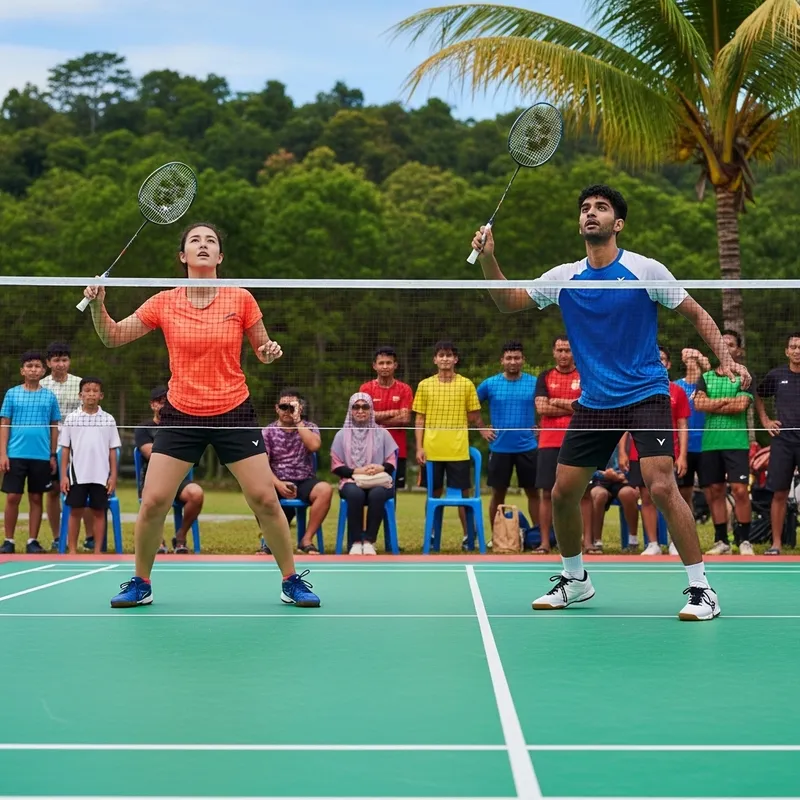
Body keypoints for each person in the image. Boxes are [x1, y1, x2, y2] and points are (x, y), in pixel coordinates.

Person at [471, 183, 750, 620]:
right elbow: (508, 302)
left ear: (617, 224)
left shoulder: (645, 270)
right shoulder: (564, 277)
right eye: (585, 208)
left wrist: (726, 359)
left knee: (660, 484)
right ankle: (576, 580)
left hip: (645, 392)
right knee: (563, 492)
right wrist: (489, 257)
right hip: (596, 401)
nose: (591, 213)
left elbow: (696, 312)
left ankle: (702, 589)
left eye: (600, 208)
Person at [82, 222, 320, 608]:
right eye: (195, 240)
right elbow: (112, 337)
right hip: (182, 414)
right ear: (183, 256)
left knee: (264, 499)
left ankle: (291, 580)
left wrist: (269, 351)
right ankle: (141, 582)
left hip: (233, 411)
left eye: (211, 241)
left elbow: (262, 350)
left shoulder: (241, 298)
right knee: (154, 501)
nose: (203, 244)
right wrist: (98, 304)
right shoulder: (164, 302)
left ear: (220, 256)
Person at [619, 346, 690, 556]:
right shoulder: (634, 389)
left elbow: (682, 425)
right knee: (646, 497)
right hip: (638, 453)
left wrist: (682, 455)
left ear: (668, 364)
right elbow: (625, 424)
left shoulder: (677, 391)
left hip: (668, 452)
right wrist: (622, 452)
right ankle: (653, 544)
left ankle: (676, 543)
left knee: (670, 498)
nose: (659, 362)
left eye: (663, 359)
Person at [413, 340, 483, 547]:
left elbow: (474, 415)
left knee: (463, 495)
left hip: (458, 450)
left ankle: (468, 536)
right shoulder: (424, 385)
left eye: (449, 355)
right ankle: (431, 534)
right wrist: (419, 447)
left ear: (455, 359)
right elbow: (419, 419)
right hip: (432, 451)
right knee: (433, 494)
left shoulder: (466, 384)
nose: (445, 359)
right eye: (441, 355)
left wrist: (457, 421)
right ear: (435, 360)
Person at [694, 330, 753, 555]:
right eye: (722, 343)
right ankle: (722, 541)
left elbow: (740, 406)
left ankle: (744, 540)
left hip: (736, 442)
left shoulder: (744, 376)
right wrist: (727, 400)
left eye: (731, 345)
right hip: (711, 443)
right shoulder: (706, 377)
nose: (726, 348)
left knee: (740, 491)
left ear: (739, 350)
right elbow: (699, 405)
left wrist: (713, 403)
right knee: (715, 491)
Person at [534, 336, 594, 554]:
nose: (563, 355)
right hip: (549, 442)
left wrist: (558, 401)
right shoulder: (545, 376)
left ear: (574, 352)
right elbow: (541, 408)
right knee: (547, 493)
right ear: (553, 352)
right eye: (559, 350)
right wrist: (572, 406)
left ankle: (588, 543)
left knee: (584, 494)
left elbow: (588, 407)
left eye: (567, 350)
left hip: (579, 441)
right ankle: (544, 543)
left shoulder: (585, 375)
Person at [0, 351, 60, 554]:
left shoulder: (49, 396)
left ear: (43, 371)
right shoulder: (12, 394)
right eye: (29, 366)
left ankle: (32, 541)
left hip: (41, 456)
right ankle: (8, 541)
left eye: (37, 366)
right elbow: (4, 424)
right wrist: (3, 454)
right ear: (22, 370)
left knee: (36, 498)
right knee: (13, 497)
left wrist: (52, 454)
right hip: (15, 454)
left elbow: (54, 427)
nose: (33, 369)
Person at [476, 340, 539, 532]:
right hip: (499, 447)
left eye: (517, 358)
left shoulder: (534, 383)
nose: (513, 361)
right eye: (509, 358)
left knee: (533, 492)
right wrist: (482, 428)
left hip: (528, 447)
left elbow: (546, 405)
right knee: (498, 493)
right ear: (502, 360)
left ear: (523, 360)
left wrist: (542, 426)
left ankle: (539, 536)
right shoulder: (490, 384)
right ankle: (497, 536)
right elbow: (471, 406)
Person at [134, 386, 205, 554]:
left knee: (196, 494)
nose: (164, 406)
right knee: (154, 499)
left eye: (168, 402)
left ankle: (180, 537)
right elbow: (150, 453)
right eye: (160, 402)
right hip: (152, 480)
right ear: (153, 405)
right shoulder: (143, 428)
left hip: (179, 480)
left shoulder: (180, 428)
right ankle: (157, 540)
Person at [262, 388, 332, 555]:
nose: (287, 411)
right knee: (259, 492)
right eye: (283, 407)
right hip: (277, 480)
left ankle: (306, 540)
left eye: (292, 407)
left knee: (325, 490)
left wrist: (298, 421)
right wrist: (278, 484)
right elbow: (262, 465)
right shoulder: (268, 431)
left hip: (304, 479)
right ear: (276, 408)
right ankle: (272, 541)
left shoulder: (310, 427)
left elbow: (314, 446)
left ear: (300, 408)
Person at [58, 378, 120, 555]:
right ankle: (72, 551)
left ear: (101, 395)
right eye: (87, 390)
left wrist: (113, 476)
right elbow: (65, 449)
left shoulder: (108, 419)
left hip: (101, 476)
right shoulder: (72, 419)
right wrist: (64, 476)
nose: (91, 394)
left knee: (99, 512)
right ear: (80, 395)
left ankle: (98, 552)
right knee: (75, 511)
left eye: (95, 391)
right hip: (78, 475)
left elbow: (113, 450)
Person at [41, 341, 93, 550]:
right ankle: (57, 538)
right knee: (54, 490)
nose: (60, 364)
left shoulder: (80, 384)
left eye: (64, 360)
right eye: (56, 360)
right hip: (51, 444)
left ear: (69, 362)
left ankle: (90, 537)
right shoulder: (42, 385)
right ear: (48, 363)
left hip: (79, 444)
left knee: (85, 487)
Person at [331, 393, 397, 554]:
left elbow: (392, 462)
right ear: (350, 410)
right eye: (356, 407)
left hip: (378, 481)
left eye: (365, 407)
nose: (360, 411)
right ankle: (355, 542)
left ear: (371, 410)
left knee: (377, 494)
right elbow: (337, 466)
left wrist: (379, 468)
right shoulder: (341, 435)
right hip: (351, 481)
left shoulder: (382, 433)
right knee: (355, 494)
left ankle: (369, 541)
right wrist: (357, 471)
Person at [754, 331, 800, 555]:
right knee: (779, 493)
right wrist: (765, 420)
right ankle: (776, 544)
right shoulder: (776, 375)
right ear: (787, 351)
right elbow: (758, 395)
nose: (797, 351)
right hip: (783, 441)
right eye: (793, 347)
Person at [359, 346, 413, 492]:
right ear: (374, 366)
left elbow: (405, 418)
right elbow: (364, 417)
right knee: (366, 488)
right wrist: (393, 412)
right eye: (381, 363)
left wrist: (376, 419)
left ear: (395, 365)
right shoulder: (366, 389)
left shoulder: (405, 389)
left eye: (388, 363)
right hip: (369, 448)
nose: (385, 366)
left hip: (396, 449)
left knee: (392, 490)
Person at [675, 347, 710, 517]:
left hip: (706, 445)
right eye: (688, 360)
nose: (691, 362)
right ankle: (687, 524)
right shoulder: (677, 386)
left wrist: (697, 355)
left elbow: (708, 369)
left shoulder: (707, 385)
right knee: (684, 493)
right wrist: (689, 355)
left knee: (713, 491)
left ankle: (722, 530)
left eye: (694, 361)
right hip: (684, 447)